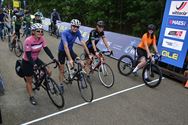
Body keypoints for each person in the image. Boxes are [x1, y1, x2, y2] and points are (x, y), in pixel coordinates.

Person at [22, 23, 58, 105]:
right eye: (38, 31)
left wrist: (53, 58)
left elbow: (46, 49)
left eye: (41, 31)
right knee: (29, 81)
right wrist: (34, 65)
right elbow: (28, 55)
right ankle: (31, 96)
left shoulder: (41, 38)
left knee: (48, 70)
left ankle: (45, 81)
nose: (40, 32)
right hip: (27, 61)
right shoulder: (28, 40)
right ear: (33, 31)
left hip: (36, 59)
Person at [58, 19, 91, 89]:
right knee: (62, 70)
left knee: (81, 62)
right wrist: (70, 59)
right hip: (62, 52)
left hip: (70, 50)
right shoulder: (65, 33)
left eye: (77, 27)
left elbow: (83, 43)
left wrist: (89, 54)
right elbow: (65, 47)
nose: (75, 28)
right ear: (71, 26)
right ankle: (60, 85)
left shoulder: (77, 32)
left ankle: (78, 75)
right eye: (74, 26)